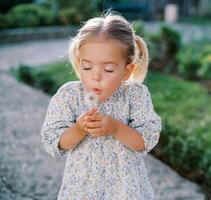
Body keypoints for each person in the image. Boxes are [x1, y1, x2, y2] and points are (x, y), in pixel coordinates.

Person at [40, 12, 162, 199]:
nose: (95, 76)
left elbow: (144, 142)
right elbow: (55, 143)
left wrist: (116, 127)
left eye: (108, 69)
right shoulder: (69, 96)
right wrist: (79, 129)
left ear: (126, 71)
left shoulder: (135, 95)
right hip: (82, 189)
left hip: (125, 189)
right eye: (87, 67)